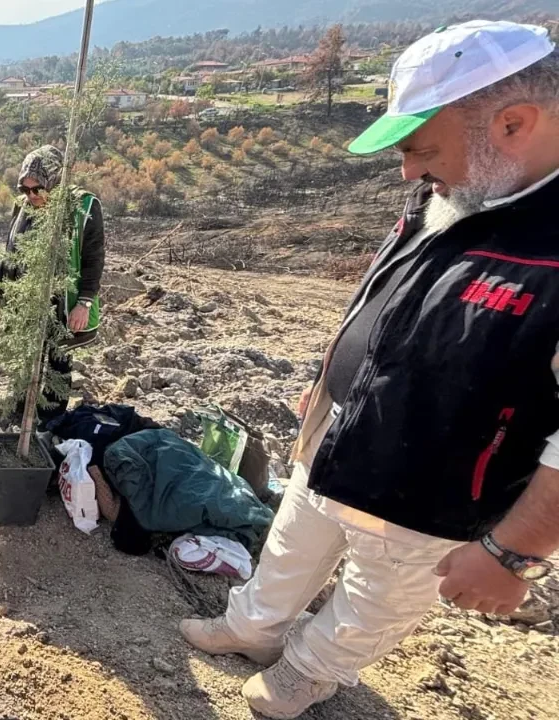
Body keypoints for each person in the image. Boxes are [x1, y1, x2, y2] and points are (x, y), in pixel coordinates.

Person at [179, 21, 559, 719]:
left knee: (375, 599)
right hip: (337, 437)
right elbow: (385, 295)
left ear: (513, 123)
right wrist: (330, 378)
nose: (408, 171)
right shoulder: (454, 191)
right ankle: (253, 627)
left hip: (432, 495)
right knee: (290, 546)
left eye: (420, 148)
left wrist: (513, 553)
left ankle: (307, 673)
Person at [0, 145, 105, 425]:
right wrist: (2, 289)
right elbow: (11, 246)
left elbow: (93, 258)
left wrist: (84, 303)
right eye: (26, 189)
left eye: (39, 189)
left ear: (55, 180)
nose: (33, 196)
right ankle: (20, 413)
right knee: (24, 359)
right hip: (28, 298)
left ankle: (50, 421)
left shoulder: (83, 207)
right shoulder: (23, 205)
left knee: (58, 364)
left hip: (63, 302)